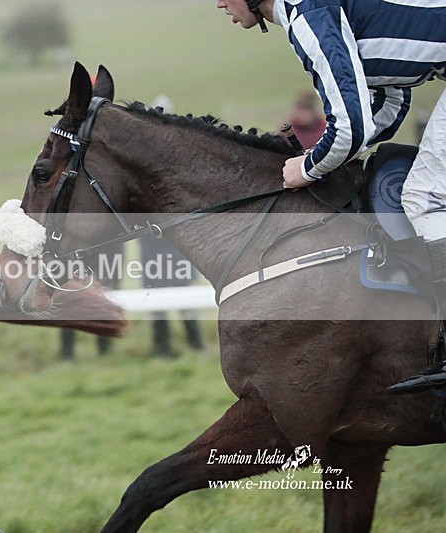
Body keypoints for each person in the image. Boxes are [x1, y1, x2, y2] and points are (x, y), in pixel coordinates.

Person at [216, 0, 446, 390]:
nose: (220, 3)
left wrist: (308, 167)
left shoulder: (309, 15)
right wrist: (325, 154)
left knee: (424, 197)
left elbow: (352, 127)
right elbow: (390, 100)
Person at [140, 236, 205, 357]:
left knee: (186, 305)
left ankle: (195, 345)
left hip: (175, 254)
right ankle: (162, 348)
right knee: (158, 307)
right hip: (154, 255)